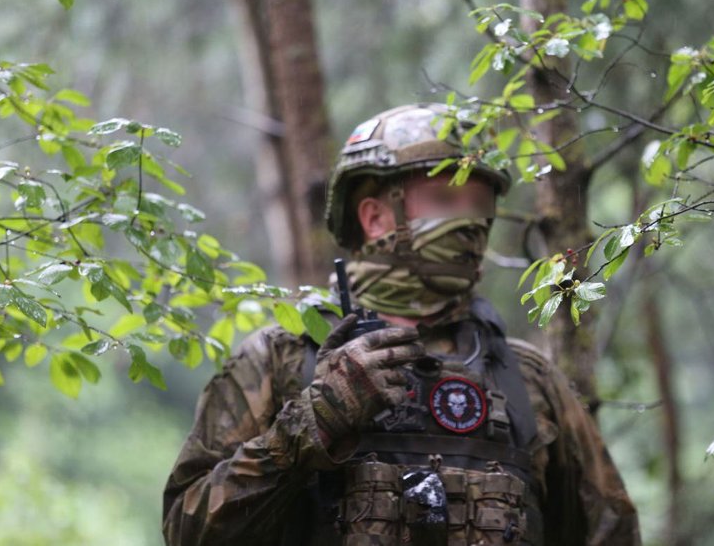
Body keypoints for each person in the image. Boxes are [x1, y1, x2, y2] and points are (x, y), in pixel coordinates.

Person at [162, 103, 641, 545]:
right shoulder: (282, 358)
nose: (470, 223)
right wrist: (309, 428)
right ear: (374, 217)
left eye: (479, 206)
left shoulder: (527, 377)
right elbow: (188, 529)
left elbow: (611, 531)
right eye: (444, 201)